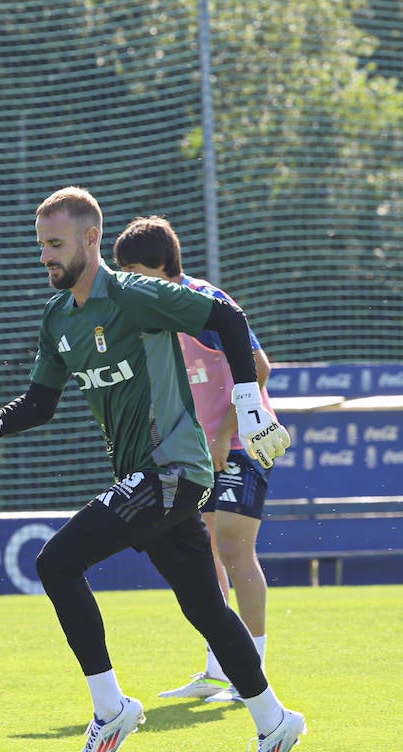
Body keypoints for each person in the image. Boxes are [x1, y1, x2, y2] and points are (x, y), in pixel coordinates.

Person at [0, 187, 305, 752]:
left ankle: (111, 709)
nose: (45, 256)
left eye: (55, 244)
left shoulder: (133, 294)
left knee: (56, 562)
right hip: (147, 477)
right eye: (41, 245)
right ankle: (275, 721)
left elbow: (227, 319)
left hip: (172, 471)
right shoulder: (59, 316)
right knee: (205, 608)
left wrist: (247, 402)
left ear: (91, 239)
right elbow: (41, 402)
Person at [111, 216, 274, 704]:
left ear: (162, 265)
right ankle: (220, 667)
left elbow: (259, 367)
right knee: (205, 556)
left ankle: (254, 674)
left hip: (242, 442)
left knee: (233, 549)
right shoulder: (153, 312)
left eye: (134, 271)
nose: (127, 282)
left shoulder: (205, 303)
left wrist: (224, 433)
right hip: (197, 453)